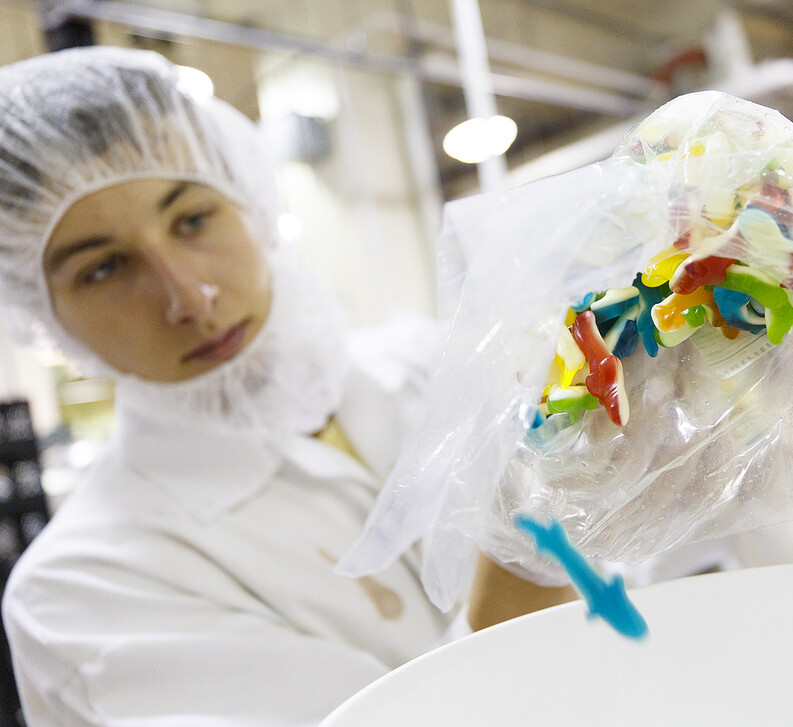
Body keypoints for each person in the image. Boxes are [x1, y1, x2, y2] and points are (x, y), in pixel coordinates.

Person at [0, 46, 570, 726]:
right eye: (104, 268)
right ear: (40, 312)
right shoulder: (82, 590)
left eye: (192, 220)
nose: (190, 295)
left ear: (248, 196)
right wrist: (531, 541)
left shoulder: (432, 362)